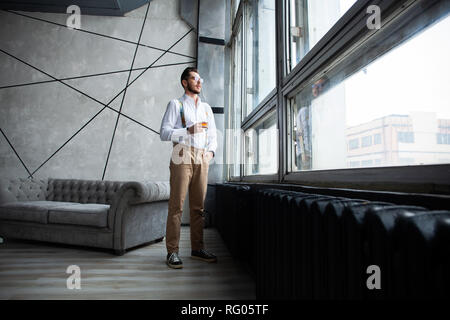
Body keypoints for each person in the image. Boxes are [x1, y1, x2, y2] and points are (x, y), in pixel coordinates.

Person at [159, 67, 218, 269]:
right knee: (176, 205)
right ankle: (172, 252)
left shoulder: (206, 108)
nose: (199, 82)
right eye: (194, 78)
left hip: (202, 155)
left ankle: (197, 248)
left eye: (200, 78)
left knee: (198, 208)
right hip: (181, 153)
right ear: (185, 82)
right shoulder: (175, 104)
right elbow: (164, 133)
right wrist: (187, 130)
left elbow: (213, 136)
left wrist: (209, 154)